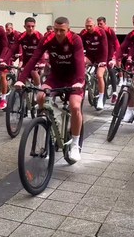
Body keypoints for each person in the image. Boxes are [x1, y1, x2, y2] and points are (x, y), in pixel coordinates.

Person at [14, 17, 85, 162]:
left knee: (75, 106)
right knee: (40, 97)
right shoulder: (48, 38)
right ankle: (47, 132)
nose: (58, 33)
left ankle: (76, 145)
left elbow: (79, 62)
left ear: (68, 30)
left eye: (62, 30)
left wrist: (79, 81)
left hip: (73, 79)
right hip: (56, 77)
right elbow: (33, 59)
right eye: (56, 29)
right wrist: (21, 79)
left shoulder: (75, 39)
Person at [79, 18, 109, 110]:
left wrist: (103, 61)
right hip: (90, 56)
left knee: (99, 75)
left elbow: (105, 47)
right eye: (87, 26)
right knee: (80, 63)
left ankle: (100, 98)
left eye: (90, 26)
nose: (88, 28)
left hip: (101, 57)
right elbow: (78, 46)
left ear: (94, 25)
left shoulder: (100, 32)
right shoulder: (83, 33)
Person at [9, 17, 43, 86]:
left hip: (37, 61)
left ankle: (37, 89)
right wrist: (9, 58)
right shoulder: (21, 36)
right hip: (26, 61)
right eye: (28, 26)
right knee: (20, 73)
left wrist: (43, 62)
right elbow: (13, 48)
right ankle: (23, 94)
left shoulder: (39, 36)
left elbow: (44, 50)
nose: (30, 28)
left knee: (33, 71)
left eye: (32, 26)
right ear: (24, 27)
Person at [97, 16, 120, 103]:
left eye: (101, 24)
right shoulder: (97, 32)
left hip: (110, 54)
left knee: (111, 70)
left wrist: (115, 57)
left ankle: (114, 92)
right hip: (101, 55)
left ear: (105, 23)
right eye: (98, 24)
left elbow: (116, 43)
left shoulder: (110, 31)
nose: (99, 25)